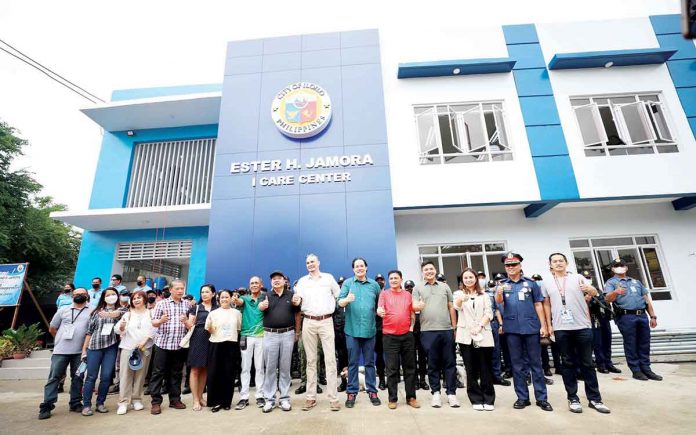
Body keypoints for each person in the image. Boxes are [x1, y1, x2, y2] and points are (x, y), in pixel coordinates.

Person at [541, 253, 610, 414]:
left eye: (561, 261)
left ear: (566, 263)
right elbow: (546, 305)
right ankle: (573, 398)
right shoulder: (546, 282)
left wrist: (590, 289)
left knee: (587, 363)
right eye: (554, 261)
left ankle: (595, 399)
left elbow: (595, 293)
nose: (558, 263)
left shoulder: (578, 278)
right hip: (560, 328)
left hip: (582, 326)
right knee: (567, 363)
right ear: (550, 265)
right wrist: (548, 325)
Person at [495, 252, 552, 412]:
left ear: (520, 266)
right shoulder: (503, 284)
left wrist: (543, 326)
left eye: (514, 265)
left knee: (536, 364)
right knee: (517, 365)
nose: (511, 268)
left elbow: (539, 305)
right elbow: (498, 302)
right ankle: (522, 397)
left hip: (531, 328)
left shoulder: (531, 284)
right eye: (508, 265)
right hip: (512, 329)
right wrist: (499, 292)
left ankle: (542, 398)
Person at [295, 253, 341, 412]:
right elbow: (297, 299)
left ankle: (333, 398)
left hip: (326, 321)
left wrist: (345, 300)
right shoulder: (302, 281)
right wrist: (295, 300)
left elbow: (339, 295)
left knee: (330, 360)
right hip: (308, 321)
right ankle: (310, 397)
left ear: (318, 263)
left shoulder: (328, 278)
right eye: (307, 262)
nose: (310, 264)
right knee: (310, 360)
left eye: (312, 261)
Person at [604, 258, 662, 381]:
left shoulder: (636, 282)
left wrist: (652, 316)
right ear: (613, 268)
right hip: (626, 316)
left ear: (626, 267)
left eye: (622, 265)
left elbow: (646, 300)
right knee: (631, 343)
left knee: (644, 342)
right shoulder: (611, 282)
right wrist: (616, 292)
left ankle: (646, 369)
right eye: (617, 265)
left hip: (642, 316)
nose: (620, 267)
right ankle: (636, 370)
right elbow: (607, 299)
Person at [38, 288, 91, 420]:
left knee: (78, 377)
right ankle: (47, 405)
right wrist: (59, 340)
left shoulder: (92, 310)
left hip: (80, 352)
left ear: (87, 296)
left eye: (82, 294)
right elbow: (52, 328)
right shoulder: (63, 310)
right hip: (61, 351)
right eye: (76, 294)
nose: (79, 296)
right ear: (72, 296)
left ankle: (75, 403)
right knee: (54, 377)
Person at [412, 261, 459, 408]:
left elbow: (451, 307)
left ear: (435, 270)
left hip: (446, 329)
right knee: (432, 364)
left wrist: (454, 327)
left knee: (450, 363)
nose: (429, 271)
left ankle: (451, 394)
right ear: (422, 272)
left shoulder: (445, 286)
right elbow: (413, 306)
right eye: (426, 270)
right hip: (427, 331)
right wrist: (417, 306)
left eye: (431, 269)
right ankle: (436, 393)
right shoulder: (417, 288)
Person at [337, 258, 382, 408]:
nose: (359, 268)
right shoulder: (348, 283)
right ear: (353, 269)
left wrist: (380, 311)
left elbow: (379, 305)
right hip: (352, 330)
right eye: (357, 266)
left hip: (369, 330)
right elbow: (339, 302)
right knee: (352, 363)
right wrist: (347, 300)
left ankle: (372, 391)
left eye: (362, 266)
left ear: (366, 268)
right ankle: (351, 393)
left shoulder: (374, 285)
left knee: (370, 362)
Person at [260, 271, 302, 413]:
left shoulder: (292, 296)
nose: (276, 281)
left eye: (279, 279)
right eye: (273, 279)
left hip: (288, 334)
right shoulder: (265, 295)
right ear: (271, 282)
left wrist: (297, 332)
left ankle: (284, 398)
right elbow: (259, 308)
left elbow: (297, 314)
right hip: (270, 335)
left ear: (285, 281)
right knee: (270, 368)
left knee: (285, 368)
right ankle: (270, 400)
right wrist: (261, 306)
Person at [80, 287, 127, 415]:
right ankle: (86, 405)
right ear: (103, 297)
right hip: (94, 347)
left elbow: (121, 314)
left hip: (111, 347)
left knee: (106, 377)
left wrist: (110, 314)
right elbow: (89, 331)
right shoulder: (96, 312)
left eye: (113, 294)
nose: (111, 296)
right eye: (108, 294)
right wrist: (84, 349)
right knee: (91, 377)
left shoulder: (123, 310)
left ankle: (100, 403)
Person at [454, 269, 495, 411]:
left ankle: (488, 398)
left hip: (483, 333)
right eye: (465, 278)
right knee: (470, 368)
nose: (468, 280)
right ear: (462, 280)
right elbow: (456, 307)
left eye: (471, 277)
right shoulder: (458, 294)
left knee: (485, 368)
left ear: (476, 279)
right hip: (466, 335)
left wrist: (480, 326)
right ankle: (475, 398)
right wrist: (461, 299)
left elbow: (489, 313)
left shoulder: (484, 295)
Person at [377, 270, 419, 410]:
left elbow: (412, 312)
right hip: (389, 336)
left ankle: (411, 397)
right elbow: (380, 309)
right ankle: (392, 398)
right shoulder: (384, 294)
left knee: (410, 368)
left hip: (407, 336)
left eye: (396, 278)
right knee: (392, 369)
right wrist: (379, 311)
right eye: (391, 278)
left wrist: (412, 328)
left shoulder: (407, 295)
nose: (394, 280)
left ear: (401, 280)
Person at [149, 278, 190, 414]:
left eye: (182, 288)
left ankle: (175, 399)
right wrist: (161, 320)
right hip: (163, 344)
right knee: (158, 373)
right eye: (177, 288)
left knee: (176, 373)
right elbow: (154, 322)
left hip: (179, 345)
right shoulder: (162, 304)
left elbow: (190, 324)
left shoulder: (187, 305)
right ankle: (156, 402)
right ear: (171, 290)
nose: (180, 291)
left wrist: (185, 321)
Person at [115, 290, 156, 415]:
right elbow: (118, 330)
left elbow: (155, 328)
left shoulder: (151, 313)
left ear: (144, 299)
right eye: (134, 298)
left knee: (140, 374)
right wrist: (121, 326)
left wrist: (145, 340)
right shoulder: (127, 315)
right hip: (128, 348)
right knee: (126, 375)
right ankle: (123, 402)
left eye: (139, 298)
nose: (136, 300)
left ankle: (137, 399)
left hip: (144, 348)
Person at [205, 289, 242, 412]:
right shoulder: (213, 313)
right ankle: (215, 402)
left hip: (231, 345)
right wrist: (211, 328)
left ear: (231, 298)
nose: (224, 299)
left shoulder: (237, 313)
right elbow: (209, 330)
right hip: (216, 345)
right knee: (214, 373)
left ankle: (226, 402)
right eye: (222, 297)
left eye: (227, 297)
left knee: (229, 374)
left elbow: (238, 330)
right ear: (218, 299)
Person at [234, 276, 266, 410]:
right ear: (249, 285)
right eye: (252, 283)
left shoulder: (265, 298)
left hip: (261, 336)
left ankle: (260, 395)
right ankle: (244, 397)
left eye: (256, 283)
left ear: (261, 285)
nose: (254, 285)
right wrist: (235, 299)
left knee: (259, 367)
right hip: (246, 336)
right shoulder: (245, 299)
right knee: (245, 367)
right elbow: (239, 302)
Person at [186, 284, 216, 411]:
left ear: (213, 294)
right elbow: (189, 325)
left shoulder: (217, 308)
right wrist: (184, 321)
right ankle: (195, 400)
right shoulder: (196, 307)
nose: (204, 294)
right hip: (198, 338)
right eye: (202, 292)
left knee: (205, 369)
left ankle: (201, 397)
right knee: (195, 369)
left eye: (207, 292)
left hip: (213, 338)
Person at [585, 270, 620, 374]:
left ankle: (609, 363)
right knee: (598, 343)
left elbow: (605, 301)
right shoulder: (582, 292)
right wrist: (587, 300)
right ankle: (601, 364)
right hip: (593, 319)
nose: (588, 280)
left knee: (607, 341)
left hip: (603, 318)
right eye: (586, 278)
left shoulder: (597, 289)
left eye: (589, 278)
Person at [485, 280, 510, 387]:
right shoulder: (479, 295)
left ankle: (497, 376)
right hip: (482, 325)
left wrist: (501, 324)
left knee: (496, 351)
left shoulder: (491, 295)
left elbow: (496, 310)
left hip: (493, 323)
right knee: (484, 352)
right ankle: (486, 377)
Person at [405, 280, 428, 390]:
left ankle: (423, 379)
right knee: (411, 357)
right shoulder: (404, 299)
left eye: (411, 287)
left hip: (422, 330)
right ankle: (415, 380)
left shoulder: (419, 298)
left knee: (423, 357)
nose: (409, 289)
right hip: (410, 331)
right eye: (407, 287)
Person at [334, 276, 349, 393]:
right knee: (341, 358)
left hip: (350, 333)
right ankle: (344, 382)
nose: (341, 285)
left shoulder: (351, 299)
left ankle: (352, 382)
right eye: (339, 284)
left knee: (352, 358)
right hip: (338, 333)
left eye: (343, 284)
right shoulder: (335, 300)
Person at [374, 273, 387, 390]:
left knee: (392, 355)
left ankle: (394, 377)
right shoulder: (373, 296)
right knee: (379, 355)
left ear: (385, 282)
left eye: (381, 280)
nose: (379, 282)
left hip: (390, 329)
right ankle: (382, 379)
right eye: (377, 280)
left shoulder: (389, 293)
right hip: (378, 330)